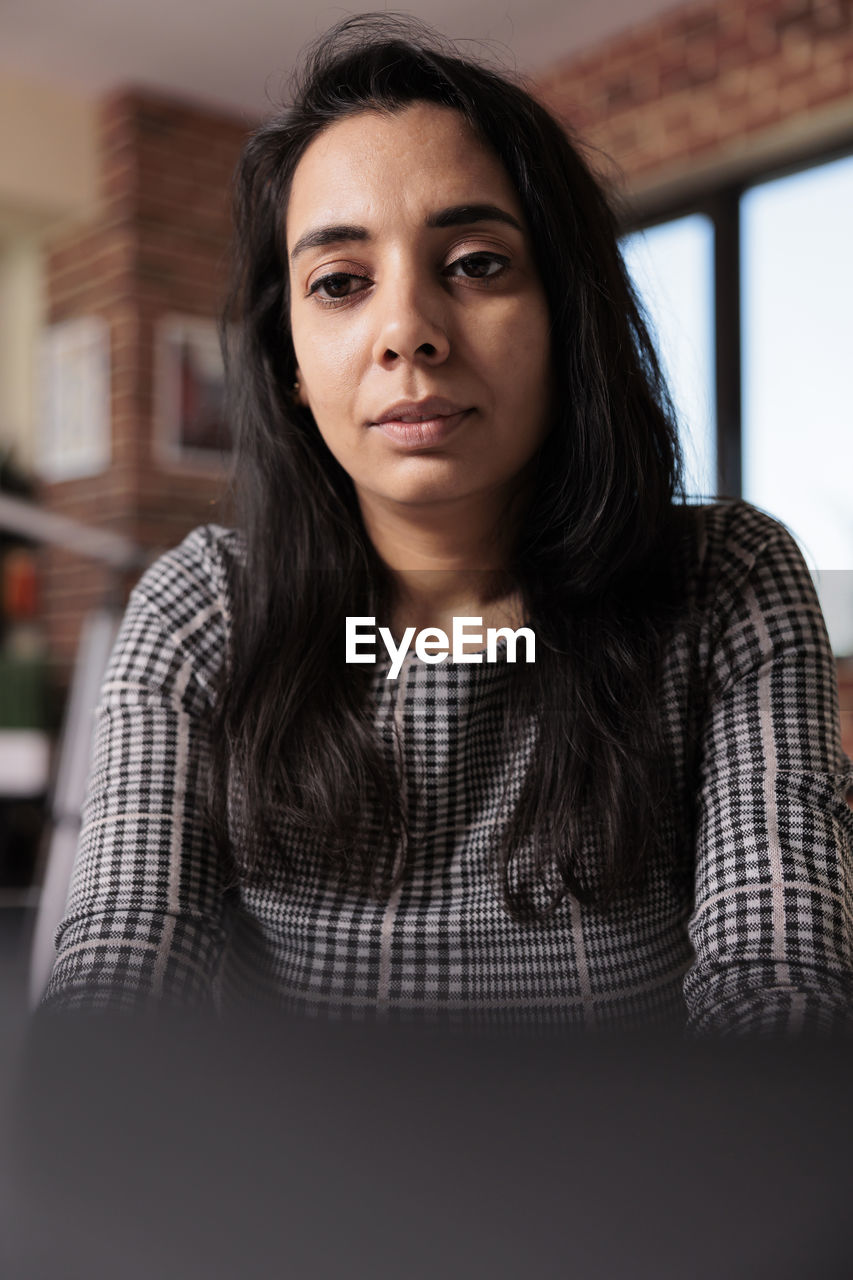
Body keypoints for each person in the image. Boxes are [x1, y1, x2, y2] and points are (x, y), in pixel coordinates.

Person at [41, 15, 853, 1033]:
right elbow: (116, 986)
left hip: (644, 1183)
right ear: (288, 362)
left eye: (474, 263)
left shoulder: (724, 578)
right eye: (340, 283)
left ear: (567, 312)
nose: (407, 332)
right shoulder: (206, 611)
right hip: (281, 1189)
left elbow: (779, 990)